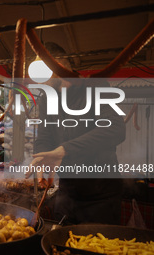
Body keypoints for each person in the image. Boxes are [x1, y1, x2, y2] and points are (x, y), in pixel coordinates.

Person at [28, 42, 126, 225]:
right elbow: (44, 137)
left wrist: (64, 150)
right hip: (67, 192)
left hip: (100, 195)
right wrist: (42, 159)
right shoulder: (47, 98)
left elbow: (115, 128)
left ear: (63, 66)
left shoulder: (96, 87)